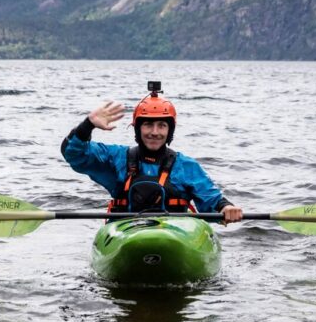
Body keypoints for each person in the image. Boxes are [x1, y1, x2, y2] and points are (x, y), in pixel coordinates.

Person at [61, 83, 243, 225]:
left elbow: (211, 199)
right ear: (137, 129)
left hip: (175, 233)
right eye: (148, 124)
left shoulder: (186, 165)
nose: (155, 132)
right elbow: (75, 154)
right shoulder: (117, 157)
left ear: (169, 131)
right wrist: (88, 124)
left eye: (162, 126)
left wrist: (225, 207)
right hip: (127, 231)